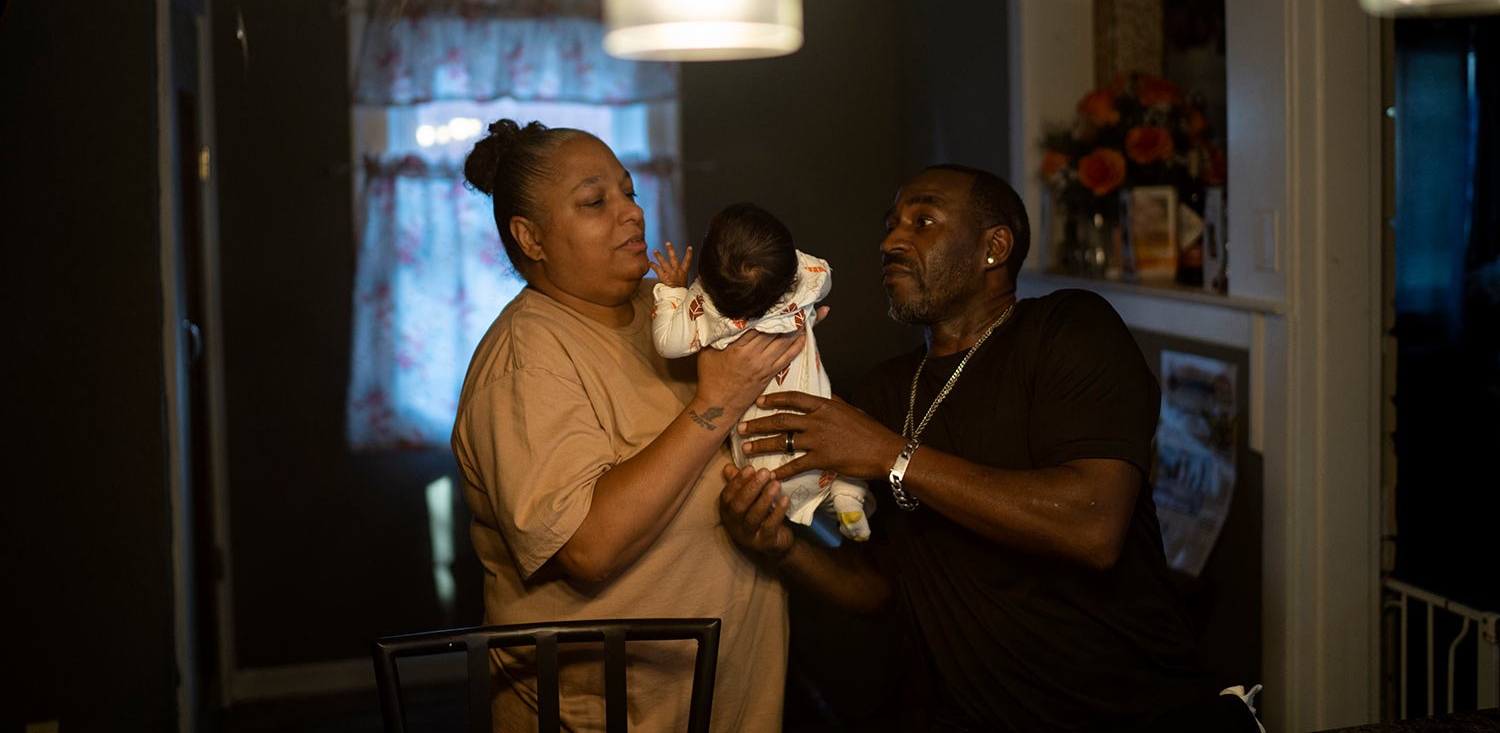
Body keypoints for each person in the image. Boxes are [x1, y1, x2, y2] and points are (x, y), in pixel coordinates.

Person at [718, 164, 1265, 733]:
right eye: (890, 224)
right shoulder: (885, 390)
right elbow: (880, 587)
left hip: (1132, 713)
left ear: (993, 247)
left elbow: (1094, 524)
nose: (891, 241)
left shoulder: (1067, 328)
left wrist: (893, 457)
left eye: (923, 220)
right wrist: (780, 546)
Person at [449, 119, 808, 733]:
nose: (631, 215)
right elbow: (586, 546)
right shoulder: (526, 357)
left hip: (728, 697)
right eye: (596, 202)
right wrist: (713, 403)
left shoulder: (669, 311)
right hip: (607, 715)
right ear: (530, 237)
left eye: (630, 192)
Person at [649, 201, 874, 542]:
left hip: (766, 466)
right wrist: (781, 265)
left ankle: (841, 498)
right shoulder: (804, 285)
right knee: (843, 466)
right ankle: (847, 494)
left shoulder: (707, 312)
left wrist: (674, 291)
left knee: (777, 488)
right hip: (822, 434)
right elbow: (824, 273)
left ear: (706, 277)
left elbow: (667, 342)